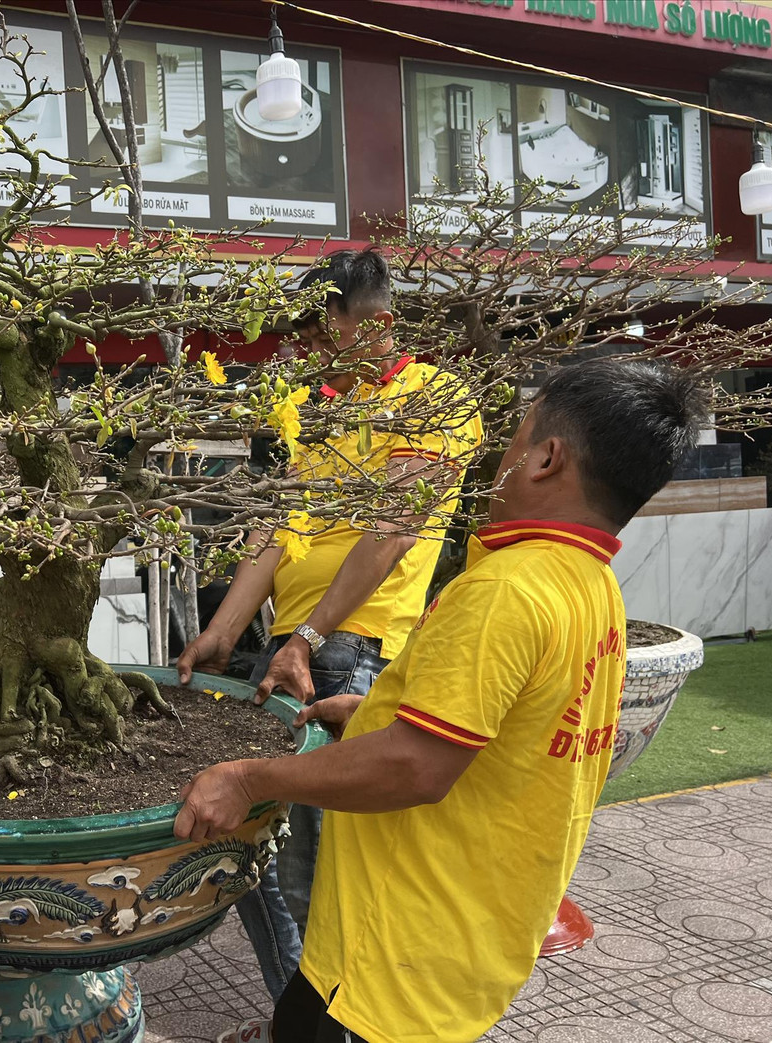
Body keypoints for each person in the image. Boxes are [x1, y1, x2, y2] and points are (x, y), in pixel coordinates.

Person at [180, 358, 708, 1043]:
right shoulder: (590, 585)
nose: (497, 462)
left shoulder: (505, 590)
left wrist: (247, 776)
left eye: (514, 442)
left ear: (546, 458)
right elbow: (510, 729)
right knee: (298, 1019)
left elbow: (415, 768)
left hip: (397, 952)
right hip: (460, 934)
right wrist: (371, 717)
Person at [175, 247, 482, 1001]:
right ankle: (306, 1014)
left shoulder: (432, 399)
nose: (304, 346)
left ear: (363, 320)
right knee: (250, 855)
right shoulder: (318, 412)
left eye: (316, 329)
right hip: (296, 650)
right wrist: (226, 628)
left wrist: (307, 637)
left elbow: (393, 530)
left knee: (314, 874)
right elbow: (280, 529)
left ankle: (330, 1019)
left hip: (348, 657)